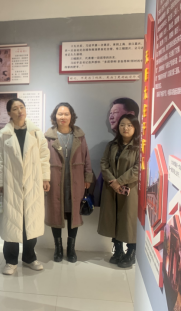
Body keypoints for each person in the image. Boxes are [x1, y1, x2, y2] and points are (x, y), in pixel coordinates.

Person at [0, 98, 51, 276]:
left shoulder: (36, 133)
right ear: (9, 113)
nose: (19, 111)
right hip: (11, 184)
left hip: (33, 183)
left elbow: (44, 156)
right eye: (15, 108)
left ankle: (29, 257)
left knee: (30, 221)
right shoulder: (3, 134)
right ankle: (10, 260)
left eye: (22, 107)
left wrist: (45, 178)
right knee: (12, 221)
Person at [44, 103, 93, 263]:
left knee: (73, 213)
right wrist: (44, 178)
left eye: (66, 114)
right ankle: (58, 249)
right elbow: (42, 160)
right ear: (55, 116)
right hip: (54, 181)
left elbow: (86, 157)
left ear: (71, 116)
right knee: (55, 213)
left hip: (75, 181)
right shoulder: (48, 137)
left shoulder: (79, 136)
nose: (63, 117)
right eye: (60, 114)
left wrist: (88, 177)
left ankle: (71, 249)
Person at [98, 114, 141, 269]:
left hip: (129, 190)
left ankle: (131, 252)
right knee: (113, 219)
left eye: (129, 125)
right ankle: (118, 250)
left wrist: (120, 182)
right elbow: (104, 163)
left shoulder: (139, 147)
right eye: (122, 124)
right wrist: (113, 182)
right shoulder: (111, 145)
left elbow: (138, 169)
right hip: (111, 189)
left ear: (135, 127)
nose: (125, 128)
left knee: (128, 220)